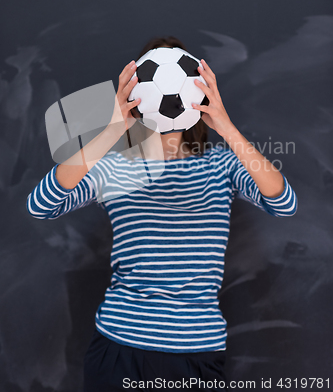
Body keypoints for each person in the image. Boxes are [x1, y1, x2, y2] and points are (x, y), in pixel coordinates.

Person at [26, 36, 298, 391]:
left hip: (197, 353)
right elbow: (41, 205)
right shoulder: (115, 167)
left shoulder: (221, 165)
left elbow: (283, 201)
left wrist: (226, 128)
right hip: (120, 348)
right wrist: (111, 131)